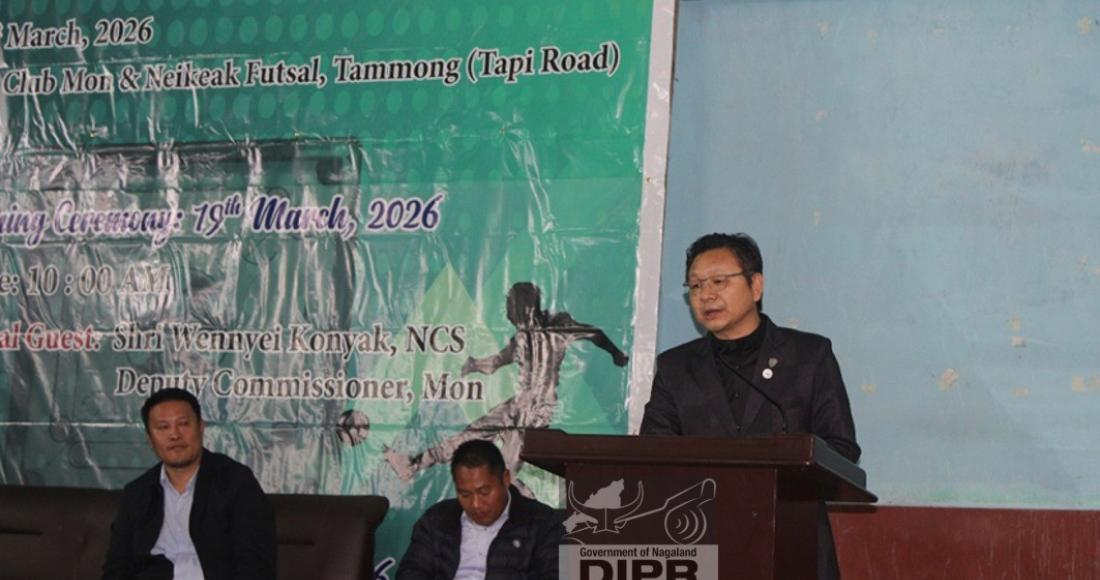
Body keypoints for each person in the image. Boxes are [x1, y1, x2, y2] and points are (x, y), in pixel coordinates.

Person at [640, 232, 860, 580]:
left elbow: (842, 449)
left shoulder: (808, 356)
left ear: (755, 286)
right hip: (701, 545)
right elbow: (653, 454)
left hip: (791, 541)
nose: (706, 295)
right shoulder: (675, 368)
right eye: (695, 286)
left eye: (718, 281)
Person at [386, 281, 628, 491]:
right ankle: (414, 464)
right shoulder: (527, 336)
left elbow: (593, 333)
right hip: (526, 406)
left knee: (494, 461)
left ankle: (415, 464)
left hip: (531, 410)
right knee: (489, 453)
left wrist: (616, 352)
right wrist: (473, 364)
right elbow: (496, 362)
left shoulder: (556, 326)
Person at [102, 388, 276, 580]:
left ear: (201, 427)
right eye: (163, 427)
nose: (174, 435)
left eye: (183, 424)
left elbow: (256, 563)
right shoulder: (137, 493)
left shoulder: (236, 482)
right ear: (149, 439)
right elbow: (117, 566)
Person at [396, 440, 563, 580]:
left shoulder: (543, 522)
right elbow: (410, 571)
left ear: (505, 479)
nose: (475, 504)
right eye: (465, 494)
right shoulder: (437, 519)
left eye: (484, 492)